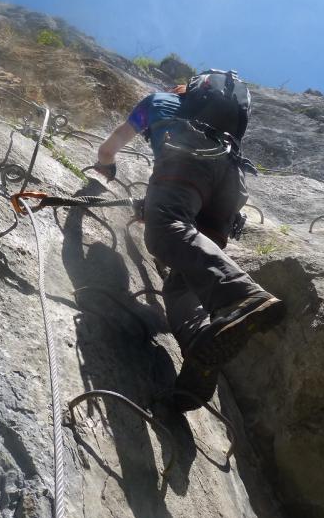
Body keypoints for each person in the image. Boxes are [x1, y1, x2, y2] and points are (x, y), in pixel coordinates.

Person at [94, 70, 286, 410]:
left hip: (188, 157)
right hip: (230, 185)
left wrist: (105, 166)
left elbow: (110, 146)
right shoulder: (225, 126)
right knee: (183, 282)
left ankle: (241, 296)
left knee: (166, 227)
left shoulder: (158, 101)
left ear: (183, 90)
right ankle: (201, 344)